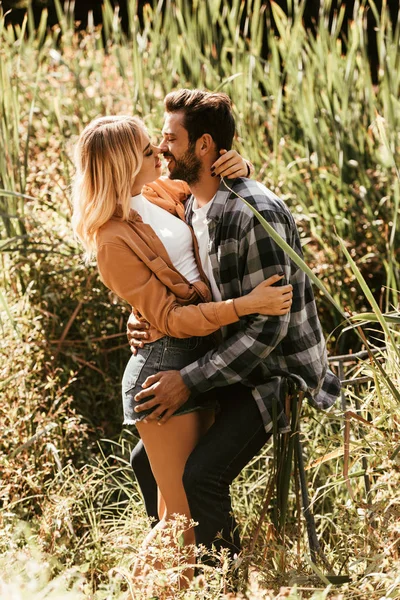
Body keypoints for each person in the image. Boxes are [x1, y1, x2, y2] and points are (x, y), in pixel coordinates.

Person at [71, 114, 293, 581]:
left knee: (180, 512)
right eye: (148, 149)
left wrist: (241, 167)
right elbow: (168, 317)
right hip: (162, 365)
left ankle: (164, 587)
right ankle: (151, 588)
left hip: (193, 357)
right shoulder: (111, 239)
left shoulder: (155, 193)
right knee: (181, 522)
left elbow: (207, 189)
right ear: (123, 163)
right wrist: (244, 305)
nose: (160, 152)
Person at [127, 89, 341, 562]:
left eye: (170, 139)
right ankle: (176, 568)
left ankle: (224, 584)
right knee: (145, 460)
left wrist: (187, 381)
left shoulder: (254, 215)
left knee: (200, 476)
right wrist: (140, 318)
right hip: (225, 359)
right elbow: (176, 284)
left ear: (203, 147)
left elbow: (269, 332)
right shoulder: (189, 204)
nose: (162, 149)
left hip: (272, 373)